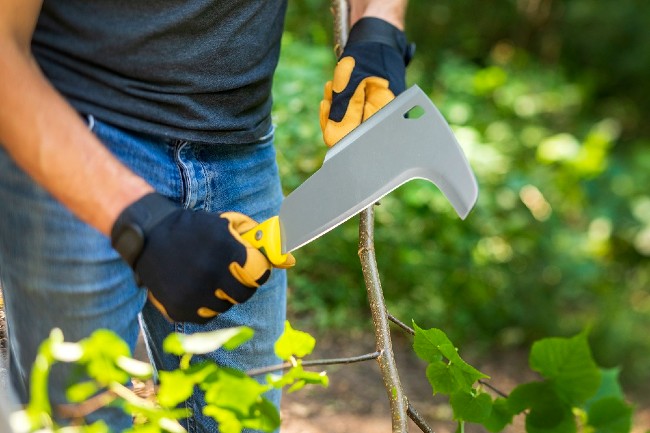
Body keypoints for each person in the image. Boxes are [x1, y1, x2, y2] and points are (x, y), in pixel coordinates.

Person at [0, 0, 411, 431]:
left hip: (242, 146)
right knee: (83, 417)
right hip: (69, 136)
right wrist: (139, 220)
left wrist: (380, 24)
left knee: (242, 421)